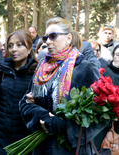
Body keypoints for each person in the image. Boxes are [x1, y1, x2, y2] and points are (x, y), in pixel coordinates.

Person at [19, 17, 108, 155]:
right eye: (45, 37)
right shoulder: (42, 68)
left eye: (53, 36)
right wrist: (43, 117)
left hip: (70, 150)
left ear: (68, 38)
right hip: (41, 148)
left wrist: (64, 126)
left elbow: (100, 114)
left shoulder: (85, 68)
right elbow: (24, 103)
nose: (48, 41)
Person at [0, 30, 38, 155]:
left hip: (24, 142)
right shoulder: (3, 71)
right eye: (10, 45)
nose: (13, 49)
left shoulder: (37, 74)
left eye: (19, 45)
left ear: (29, 48)